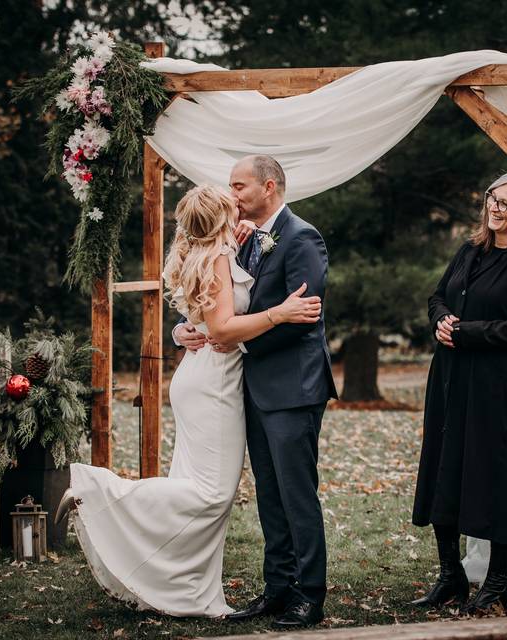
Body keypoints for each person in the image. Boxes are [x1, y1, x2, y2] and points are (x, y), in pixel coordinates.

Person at [53, 183, 322, 618]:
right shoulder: (217, 257)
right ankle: (98, 489)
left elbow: (196, 317)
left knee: (193, 484)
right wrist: (279, 313)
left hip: (199, 378)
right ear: (222, 219)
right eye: (232, 202)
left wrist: (182, 330)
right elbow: (219, 329)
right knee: (212, 495)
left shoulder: (202, 252)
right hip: (213, 382)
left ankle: (186, 589)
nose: (240, 205)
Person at [175, 155, 337, 628]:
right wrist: (192, 330)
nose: (233, 194)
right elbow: (218, 300)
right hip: (252, 387)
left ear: (269, 186)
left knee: (296, 494)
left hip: (292, 385)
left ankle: (310, 594)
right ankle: (278, 588)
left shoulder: (303, 237)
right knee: (269, 494)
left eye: (239, 186)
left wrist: (232, 338)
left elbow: (303, 317)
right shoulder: (239, 238)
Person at [410, 170, 507, 613]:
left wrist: (469, 332)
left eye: (505, 203)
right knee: (445, 469)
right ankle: (450, 577)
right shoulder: (469, 250)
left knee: (495, 477)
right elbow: (438, 296)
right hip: (452, 378)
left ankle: (496, 583)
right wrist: (441, 320)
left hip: (499, 385)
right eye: (492, 198)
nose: (494, 207)